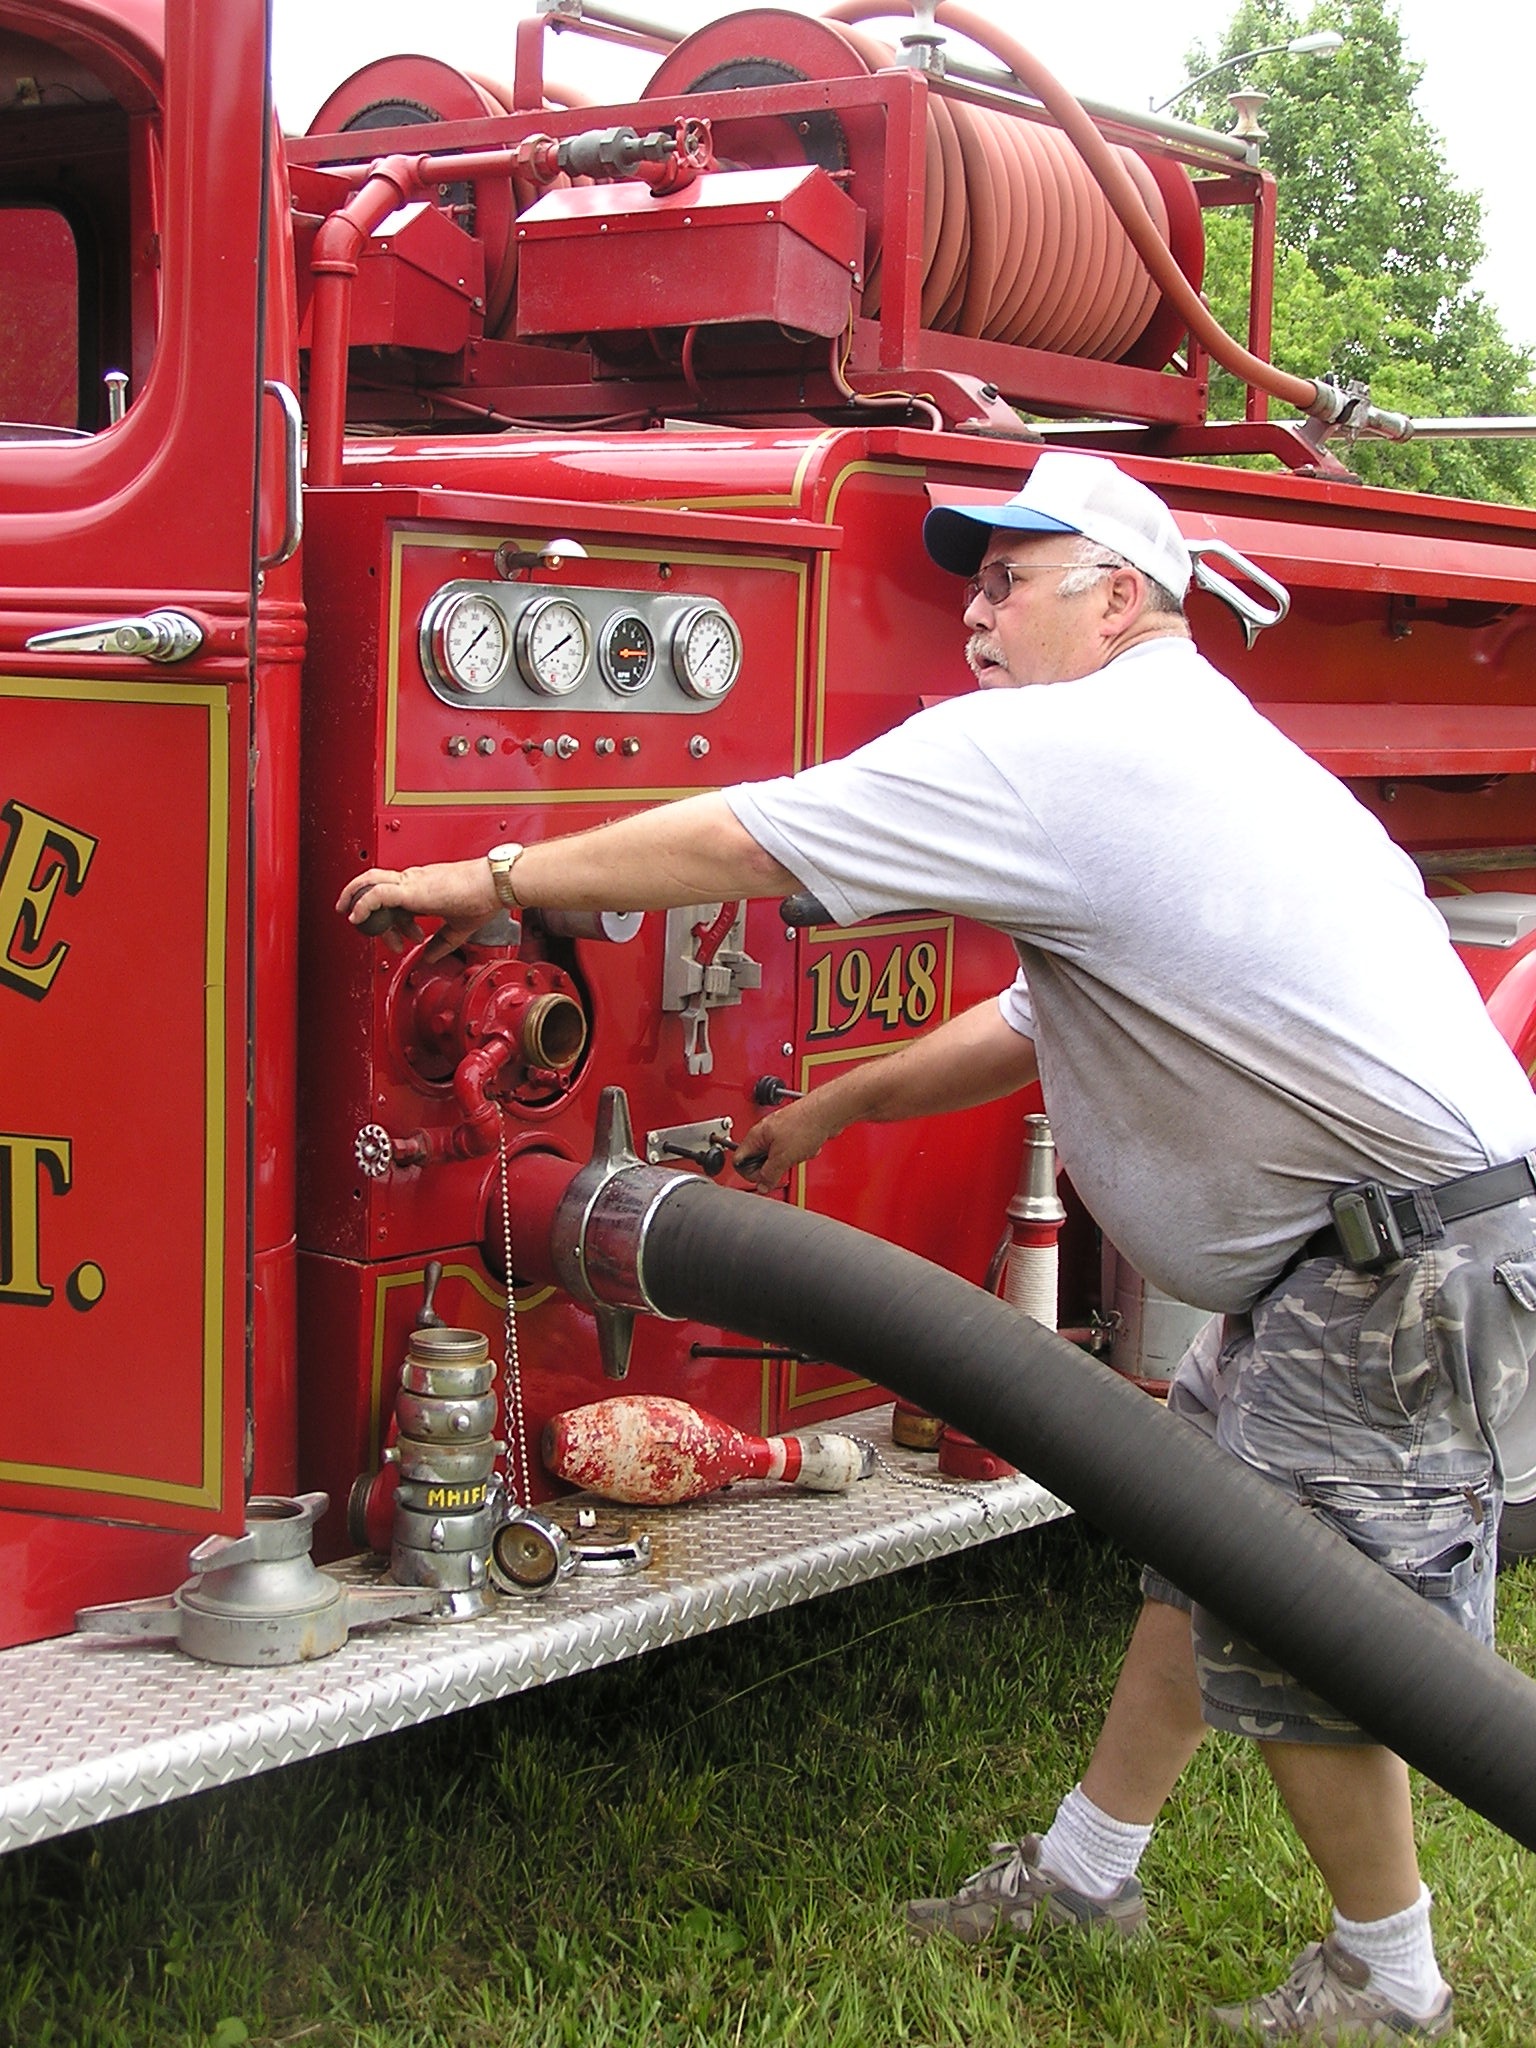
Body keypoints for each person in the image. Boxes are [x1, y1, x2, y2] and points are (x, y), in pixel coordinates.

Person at [340, 450, 1536, 2040]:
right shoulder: (1182, 743)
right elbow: (1033, 1018)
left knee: (1309, 1618)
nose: (976, 611)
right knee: (1201, 1549)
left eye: (1009, 579)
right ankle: (1086, 1872)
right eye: (971, 580)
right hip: (1373, 1251)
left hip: (1393, 1270)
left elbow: (745, 843)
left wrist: (478, 877)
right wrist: (833, 1111)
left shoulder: (1074, 748)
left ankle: (1390, 1979)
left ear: (1119, 599)